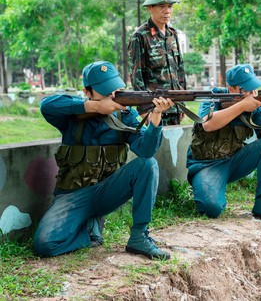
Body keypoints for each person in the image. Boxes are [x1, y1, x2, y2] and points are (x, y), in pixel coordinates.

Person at [34, 61, 172, 260]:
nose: (112, 95)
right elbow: (46, 105)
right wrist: (95, 107)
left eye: (114, 88)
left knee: (147, 164)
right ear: (87, 91)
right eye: (105, 91)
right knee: (45, 244)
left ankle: (139, 237)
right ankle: (89, 232)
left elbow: (146, 151)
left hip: (107, 192)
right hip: (72, 195)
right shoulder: (72, 114)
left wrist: (156, 117)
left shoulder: (125, 115)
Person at [187, 64, 261, 224]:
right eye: (246, 89)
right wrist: (242, 106)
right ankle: (206, 185)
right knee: (211, 208)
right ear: (231, 88)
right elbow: (208, 124)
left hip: (234, 161)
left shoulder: (255, 105)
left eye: (253, 88)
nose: (251, 93)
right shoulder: (214, 95)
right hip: (206, 165)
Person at [128, 0, 186, 125]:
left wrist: (182, 102)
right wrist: (144, 109)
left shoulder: (173, 34)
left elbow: (180, 70)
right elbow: (137, 75)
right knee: (156, 145)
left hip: (174, 107)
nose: (167, 11)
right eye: (161, 6)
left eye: (170, 6)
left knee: (174, 146)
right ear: (150, 8)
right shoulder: (140, 36)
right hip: (154, 109)